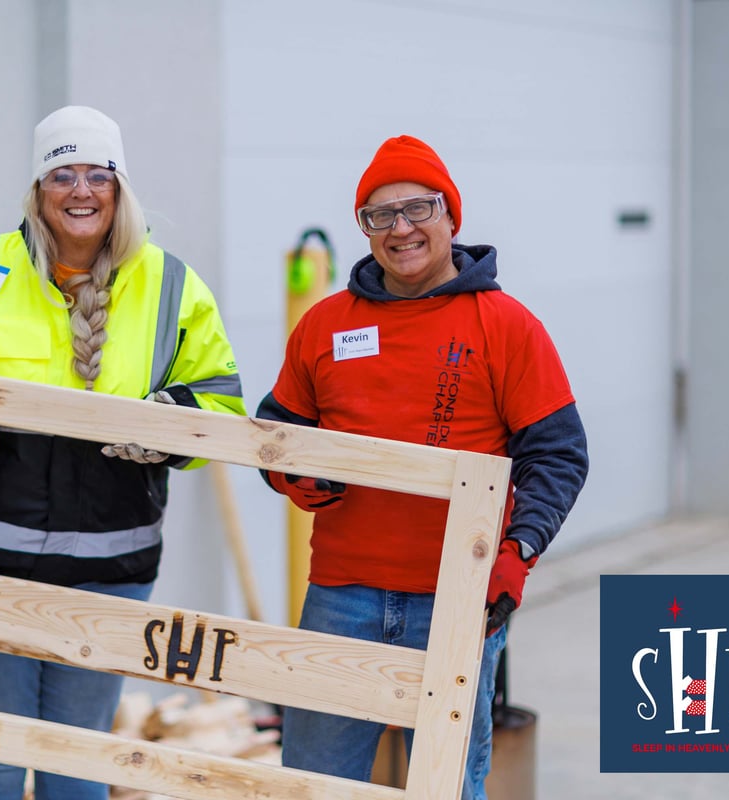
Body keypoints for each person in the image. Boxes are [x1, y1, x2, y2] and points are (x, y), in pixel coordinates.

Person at [0, 105, 246, 800]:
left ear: (120, 188)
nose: (81, 190)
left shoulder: (172, 287)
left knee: (78, 761)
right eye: (61, 174)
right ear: (37, 190)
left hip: (110, 568)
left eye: (99, 174)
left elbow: (220, 399)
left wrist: (170, 423)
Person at [256, 135, 588, 799]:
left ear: (450, 216)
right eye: (380, 216)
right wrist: (301, 475)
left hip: (457, 600)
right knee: (313, 787)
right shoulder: (325, 325)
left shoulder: (506, 325)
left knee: (443, 788)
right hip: (341, 596)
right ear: (365, 229)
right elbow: (276, 434)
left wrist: (515, 556)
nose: (401, 229)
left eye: (418, 209)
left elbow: (558, 454)